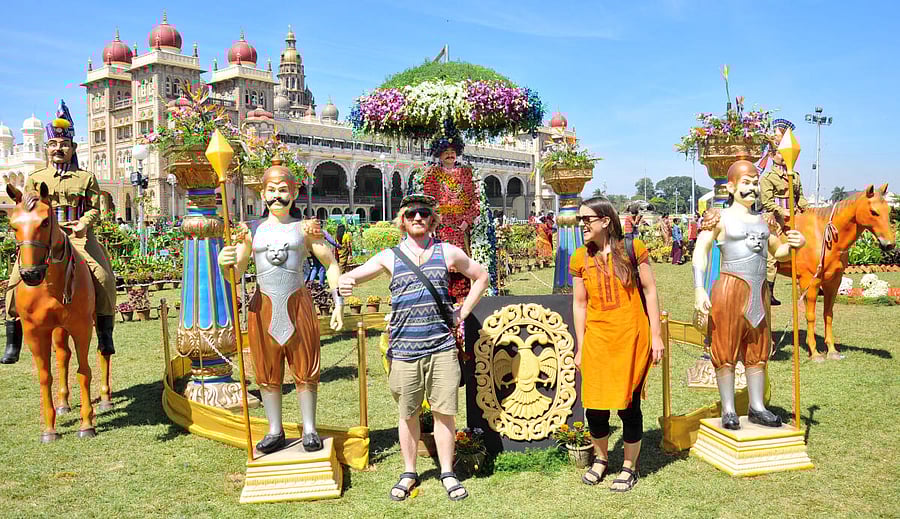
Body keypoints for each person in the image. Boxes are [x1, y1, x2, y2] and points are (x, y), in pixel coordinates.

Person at [338, 194, 489, 502]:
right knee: (407, 414)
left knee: (444, 413)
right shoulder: (389, 256)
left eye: (423, 213)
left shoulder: (447, 252)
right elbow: (356, 274)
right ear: (402, 220)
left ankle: (448, 471)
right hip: (405, 350)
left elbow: (481, 275)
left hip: (441, 348)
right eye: (411, 214)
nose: (417, 218)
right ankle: (409, 471)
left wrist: (463, 310)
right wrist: (345, 280)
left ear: (432, 218)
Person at [218, 158, 344, 453]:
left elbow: (330, 263)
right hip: (262, 306)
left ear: (295, 193)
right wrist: (225, 264)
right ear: (262, 194)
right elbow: (235, 271)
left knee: (305, 366)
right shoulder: (250, 231)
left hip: (298, 304)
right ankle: (274, 429)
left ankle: (309, 428)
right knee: (266, 369)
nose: (277, 196)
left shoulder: (305, 229)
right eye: (271, 190)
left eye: (283, 189)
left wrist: (338, 301)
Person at [693, 159, 805, 431]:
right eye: (746, 182)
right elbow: (701, 251)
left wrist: (794, 246)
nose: (752, 188)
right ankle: (729, 409)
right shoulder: (718, 217)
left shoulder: (763, 221)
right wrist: (698, 288)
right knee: (726, 347)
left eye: (755, 182)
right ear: (731, 187)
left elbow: (776, 251)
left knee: (758, 348)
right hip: (730, 288)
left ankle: (757, 406)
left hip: (759, 290)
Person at [3, 100, 117, 364]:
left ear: (72, 148)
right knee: (13, 282)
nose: (58, 149)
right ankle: (12, 339)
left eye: (64, 145)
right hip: (44, 238)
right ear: (47, 148)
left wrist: (85, 222)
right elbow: (27, 209)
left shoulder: (85, 178)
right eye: (53, 145)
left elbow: (95, 208)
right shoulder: (35, 178)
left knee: (104, 277)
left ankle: (104, 332)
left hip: (78, 237)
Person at [570, 197, 665, 492]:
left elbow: (649, 292)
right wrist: (580, 345)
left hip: (632, 337)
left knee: (628, 407)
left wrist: (657, 335)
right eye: (580, 220)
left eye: (588, 219)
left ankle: (628, 466)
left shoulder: (632, 250)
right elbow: (580, 304)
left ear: (606, 221)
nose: (583, 224)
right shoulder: (579, 258)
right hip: (597, 339)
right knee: (595, 407)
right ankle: (600, 460)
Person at [760, 120, 808, 305]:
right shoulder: (768, 177)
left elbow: (800, 197)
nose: (783, 156)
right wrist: (783, 211)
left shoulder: (795, 175)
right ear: (772, 155)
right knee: (772, 257)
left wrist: (807, 207)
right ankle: (769, 292)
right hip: (775, 218)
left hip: (795, 216)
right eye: (779, 152)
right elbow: (767, 202)